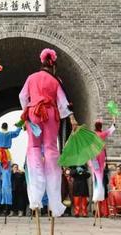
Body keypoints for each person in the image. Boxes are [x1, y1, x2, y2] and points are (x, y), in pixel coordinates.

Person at [19, 48, 78, 218]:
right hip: (51, 113)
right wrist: (72, 119)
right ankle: (54, 201)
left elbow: (22, 96)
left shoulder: (31, 78)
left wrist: (26, 114)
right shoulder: (56, 80)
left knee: (34, 149)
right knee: (51, 150)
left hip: (33, 113)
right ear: (53, 66)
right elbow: (63, 102)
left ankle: (36, 198)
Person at [0, 121, 21, 215]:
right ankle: (7, 205)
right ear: (6, 127)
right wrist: (19, 126)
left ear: (1, 127)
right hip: (6, 155)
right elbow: (17, 132)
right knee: (6, 181)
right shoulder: (9, 133)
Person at [88, 116, 116, 214]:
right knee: (99, 176)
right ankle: (99, 195)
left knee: (95, 177)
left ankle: (96, 196)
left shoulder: (91, 135)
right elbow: (111, 130)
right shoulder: (102, 134)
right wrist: (114, 122)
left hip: (93, 157)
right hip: (101, 156)